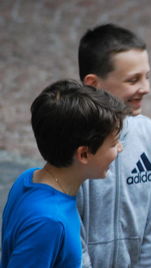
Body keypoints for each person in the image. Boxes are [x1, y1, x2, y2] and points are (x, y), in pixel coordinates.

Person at [0, 80, 127, 268]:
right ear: (83, 154)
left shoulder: (29, 177)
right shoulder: (49, 222)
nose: (120, 148)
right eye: (113, 143)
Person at [77, 23, 151, 267]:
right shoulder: (74, 141)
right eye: (133, 80)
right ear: (93, 84)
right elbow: (73, 228)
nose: (146, 89)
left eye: (147, 77)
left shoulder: (150, 134)